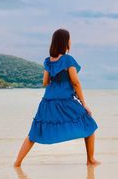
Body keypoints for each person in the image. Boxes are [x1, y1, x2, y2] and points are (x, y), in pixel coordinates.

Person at [13, 28, 101, 167]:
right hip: (65, 100)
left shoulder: (48, 61)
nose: (71, 41)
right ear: (65, 42)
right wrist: (84, 103)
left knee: (35, 132)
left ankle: (17, 163)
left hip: (48, 101)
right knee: (89, 124)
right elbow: (75, 82)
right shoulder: (67, 59)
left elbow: (45, 81)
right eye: (70, 39)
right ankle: (90, 160)